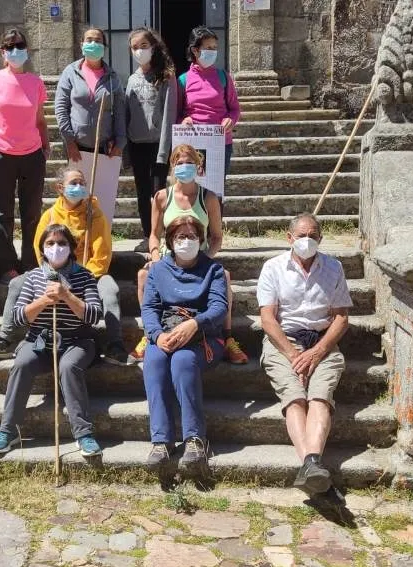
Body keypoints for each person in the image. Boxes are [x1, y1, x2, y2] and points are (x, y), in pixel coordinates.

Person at [0, 168, 127, 366]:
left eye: (82, 183)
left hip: (90, 274)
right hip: (53, 272)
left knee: (110, 290)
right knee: (16, 284)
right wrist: (53, 274)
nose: (79, 187)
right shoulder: (50, 216)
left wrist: (82, 276)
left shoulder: (95, 215)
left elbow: (102, 253)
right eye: (73, 183)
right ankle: (4, 339)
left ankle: (115, 345)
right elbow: (41, 250)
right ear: (60, 187)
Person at [0, 223, 105, 457]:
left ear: (71, 247)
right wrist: (42, 301)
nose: (56, 248)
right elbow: (19, 317)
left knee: (69, 366)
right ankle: (7, 431)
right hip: (39, 340)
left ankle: (83, 433)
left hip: (76, 341)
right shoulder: (32, 277)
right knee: (21, 364)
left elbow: (94, 315)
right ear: (42, 248)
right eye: (50, 243)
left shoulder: (84, 276)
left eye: (62, 243)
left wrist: (67, 296)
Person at [257, 213, 352, 495]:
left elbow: (341, 318)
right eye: (301, 235)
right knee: (295, 397)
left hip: (322, 342)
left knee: (320, 396)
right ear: (289, 238)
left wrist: (317, 351)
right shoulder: (273, 268)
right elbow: (267, 319)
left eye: (312, 235)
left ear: (320, 238)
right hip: (283, 341)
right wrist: (292, 354)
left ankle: (310, 464)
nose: (307, 240)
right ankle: (313, 464)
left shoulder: (333, 268)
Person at [128, 144, 249, 366]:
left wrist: (207, 258)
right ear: (173, 167)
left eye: (189, 162)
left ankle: (228, 337)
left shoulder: (209, 198)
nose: (184, 167)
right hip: (168, 258)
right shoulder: (162, 197)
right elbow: (153, 235)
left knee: (225, 276)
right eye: (179, 163)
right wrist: (156, 259)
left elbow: (216, 237)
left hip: (199, 256)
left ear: (198, 166)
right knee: (143, 276)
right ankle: (149, 333)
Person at [141, 216, 227, 475]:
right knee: (154, 359)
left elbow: (219, 307)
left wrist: (196, 324)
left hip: (204, 338)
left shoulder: (214, 270)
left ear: (201, 241)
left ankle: (195, 440)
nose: (186, 241)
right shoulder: (157, 270)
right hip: (166, 332)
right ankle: (161, 441)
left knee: (182, 361)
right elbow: (150, 307)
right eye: (180, 236)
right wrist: (156, 335)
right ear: (170, 241)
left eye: (191, 236)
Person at [0, 28, 50, 282]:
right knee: (2, 212)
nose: (15, 51)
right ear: (3, 52)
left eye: (19, 46)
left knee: (32, 212)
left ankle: (31, 262)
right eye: (10, 47)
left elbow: (40, 119)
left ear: (26, 50)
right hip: (1, 153)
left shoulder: (35, 82)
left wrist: (46, 146)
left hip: (32, 154)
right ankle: (7, 265)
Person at [126, 27, 177, 252]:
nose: (139, 51)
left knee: (158, 193)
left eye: (144, 46)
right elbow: (126, 113)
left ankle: (161, 235)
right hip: (137, 145)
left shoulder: (166, 76)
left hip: (158, 145)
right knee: (142, 192)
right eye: (135, 47)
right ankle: (148, 235)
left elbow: (169, 114)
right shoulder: (131, 79)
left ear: (154, 47)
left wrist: (165, 150)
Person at [178, 26, 241, 191]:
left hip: (220, 143)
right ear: (195, 50)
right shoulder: (183, 80)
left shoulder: (223, 77)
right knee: (194, 191)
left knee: (215, 192)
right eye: (208, 48)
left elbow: (235, 109)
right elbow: (175, 114)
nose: (213, 52)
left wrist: (230, 120)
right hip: (193, 145)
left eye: (215, 48)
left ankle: (217, 218)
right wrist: (183, 120)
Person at [55, 27, 126, 161]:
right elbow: (61, 108)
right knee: (77, 182)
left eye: (98, 40)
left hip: (105, 148)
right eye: (89, 40)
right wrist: (69, 141)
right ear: (82, 45)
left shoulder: (112, 77)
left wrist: (120, 143)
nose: (93, 44)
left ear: (104, 47)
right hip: (76, 145)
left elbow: (119, 111)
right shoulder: (70, 73)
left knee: (103, 183)